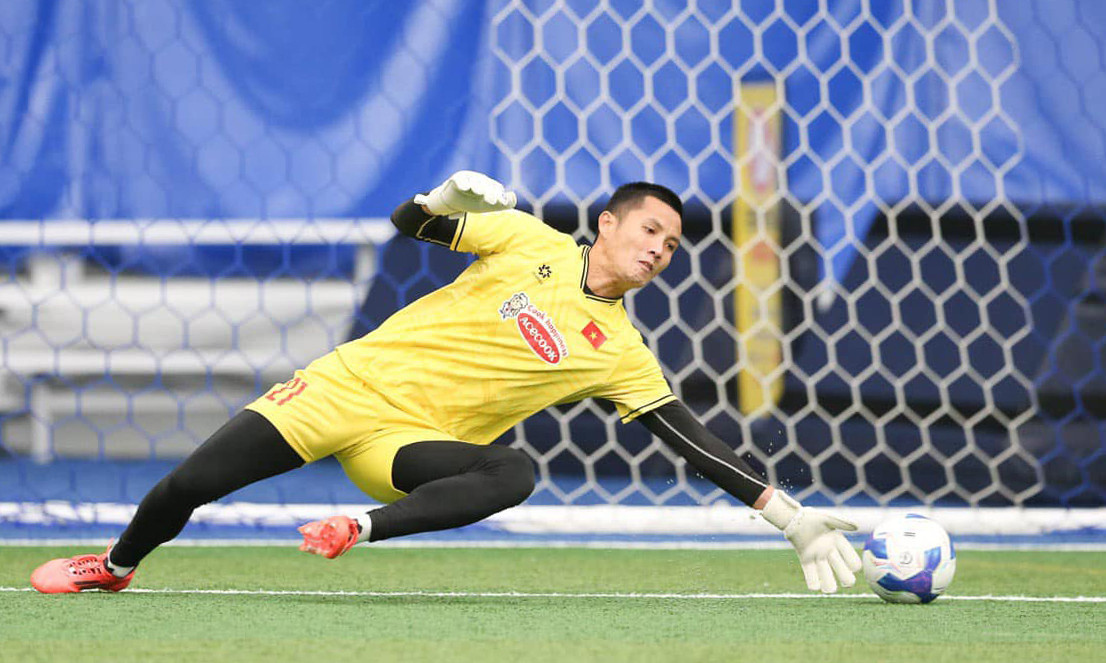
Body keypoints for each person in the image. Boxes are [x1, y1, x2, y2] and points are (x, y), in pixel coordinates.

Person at [30, 171, 862, 595]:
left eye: (673, 245)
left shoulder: (621, 351)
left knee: (514, 471)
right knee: (189, 484)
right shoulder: (525, 238)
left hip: (403, 448)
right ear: (608, 223)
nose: (659, 250)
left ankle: (357, 527)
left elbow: (696, 443)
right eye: (650, 230)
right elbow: (410, 226)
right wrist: (437, 198)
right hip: (345, 386)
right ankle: (115, 564)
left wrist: (790, 518)